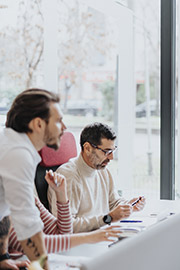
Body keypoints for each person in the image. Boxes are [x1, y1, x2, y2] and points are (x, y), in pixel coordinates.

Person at [0, 89, 66, 269]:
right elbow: (28, 228)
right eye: (59, 121)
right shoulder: (17, 154)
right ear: (38, 124)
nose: (64, 128)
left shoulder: (12, 144)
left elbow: (3, 212)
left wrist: (2, 257)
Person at [48, 122, 146, 233]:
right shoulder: (69, 176)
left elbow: (113, 202)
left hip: (101, 235)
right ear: (87, 148)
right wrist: (108, 218)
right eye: (106, 151)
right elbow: (67, 227)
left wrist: (128, 206)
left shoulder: (102, 170)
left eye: (113, 151)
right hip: (82, 242)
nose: (111, 157)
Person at [9, 170, 121, 255]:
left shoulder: (26, 196)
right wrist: (90, 237)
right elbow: (35, 245)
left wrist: (61, 194)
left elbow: (62, 232)